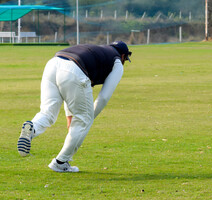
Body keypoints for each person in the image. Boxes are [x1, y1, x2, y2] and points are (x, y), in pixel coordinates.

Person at [17, 41, 132, 173]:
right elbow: (104, 97)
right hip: (73, 70)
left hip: (53, 64)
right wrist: (88, 118)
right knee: (84, 119)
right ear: (123, 56)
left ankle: (32, 128)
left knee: (47, 113)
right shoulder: (117, 62)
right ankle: (60, 162)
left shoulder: (96, 50)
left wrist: (69, 116)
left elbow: (70, 82)